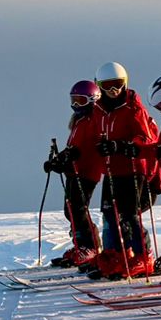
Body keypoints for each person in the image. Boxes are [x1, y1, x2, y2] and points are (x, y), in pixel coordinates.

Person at [81, 62, 161, 281]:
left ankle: (143, 255)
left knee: (129, 216)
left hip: (132, 170)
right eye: (108, 85)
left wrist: (121, 146)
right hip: (111, 171)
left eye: (118, 84)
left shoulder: (132, 108)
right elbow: (93, 136)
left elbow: (145, 137)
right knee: (109, 214)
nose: (114, 90)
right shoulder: (98, 110)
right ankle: (116, 254)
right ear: (99, 86)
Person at [41, 79, 104, 268]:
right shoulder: (79, 121)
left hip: (86, 171)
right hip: (74, 171)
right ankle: (80, 245)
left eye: (81, 100)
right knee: (70, 210)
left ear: (92, 100)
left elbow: (88, 147)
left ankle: (90, 246)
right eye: (74, 100)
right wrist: (58, 160)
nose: (76, 105)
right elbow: (73, 147)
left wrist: (72, 156)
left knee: (78, 209)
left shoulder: (94, 120)